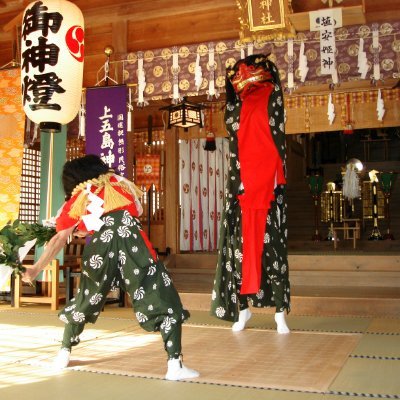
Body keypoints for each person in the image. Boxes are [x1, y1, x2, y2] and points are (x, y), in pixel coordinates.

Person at [22, 154, 199, 381]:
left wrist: (36, 267)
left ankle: (63, 354)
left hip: (101, 248)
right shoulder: (119, 183)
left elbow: (60, 238)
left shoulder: (78, 197)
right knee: (161, 295)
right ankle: (175, 365)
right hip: (133, 245)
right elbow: (138, 210)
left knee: (87, 297)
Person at [210, 55, 291, 333]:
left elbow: (276, 141)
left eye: (249, 69)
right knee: (238, 252)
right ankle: (241, 309)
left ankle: (280, 312)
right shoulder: (234, 105)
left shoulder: (272, 97)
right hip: (240, 185)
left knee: (273, 251)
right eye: (238, 73)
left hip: (267, 184)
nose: (242, 75)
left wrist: (270, 179)